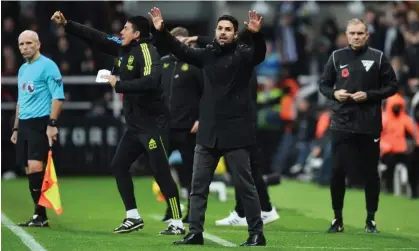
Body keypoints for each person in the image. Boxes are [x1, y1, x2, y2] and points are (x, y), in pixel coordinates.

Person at [51, 11, 185, 235]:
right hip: (134, 125)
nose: (121, 31)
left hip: (154, 124)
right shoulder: (122, 47)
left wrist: (118, 84)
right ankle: (132, 216)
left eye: (125, 28)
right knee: (118, 165)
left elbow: (152, 82)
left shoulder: (148, 51)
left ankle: (177, 222)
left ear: (137, 34)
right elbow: (97, 37)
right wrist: (68, 24)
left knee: (160, 171)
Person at [149, 7, 267, 246]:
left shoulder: (244, 54)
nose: (223, 33)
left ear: (235, 34)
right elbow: (180, 49)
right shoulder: (207, 55)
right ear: (215, 31)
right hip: (209, 132)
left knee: (245, 187)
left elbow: (259, 55)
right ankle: (195, 232)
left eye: (228, 30)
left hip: (235, 132)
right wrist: (161, 31)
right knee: (197, 186)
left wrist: (256, 35)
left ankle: (257, 233)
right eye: (220, 29)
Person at [182, 34, 279, 226]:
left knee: (246, 172)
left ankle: (257, 211)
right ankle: (256, 209)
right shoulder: (240, 61)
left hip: (240, 125)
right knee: (247, 170)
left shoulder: (242, 62)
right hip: (240, 123)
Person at [319, 18, 398, 233]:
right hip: (341, 122)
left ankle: (370, 219)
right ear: (346, 34)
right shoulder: (337, 57)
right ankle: (337, 219)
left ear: (367, 35)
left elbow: (393, 85)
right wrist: (335, 93)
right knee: (337, 171)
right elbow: (323, 84)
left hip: (369, 123)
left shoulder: (378, 57)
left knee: (371, 173)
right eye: (352, 33)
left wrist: (370, 95)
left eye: (360, 33)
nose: (356, 37)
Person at [11, 30, 65, 227]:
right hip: (24, 124)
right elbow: (20, 101)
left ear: (38, 44)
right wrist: (16, 129)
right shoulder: (23, 69)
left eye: (28, 43)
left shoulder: (49, 66)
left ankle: (40, 215)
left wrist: (51, 123)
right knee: (28, 169)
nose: (24, 47)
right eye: (21, 44)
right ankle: (39, 214)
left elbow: (57, 97)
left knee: (35, 166)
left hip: (40, 121)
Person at [160, 27, 204, 224]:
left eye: (182, 42)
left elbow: (207, 94)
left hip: (189, 127)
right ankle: (172, 207)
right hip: (165, 126)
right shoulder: (163, 64)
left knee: (190, 174)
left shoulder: (196, 64)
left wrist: (201, 118)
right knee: (159, 168)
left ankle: (192, 214)